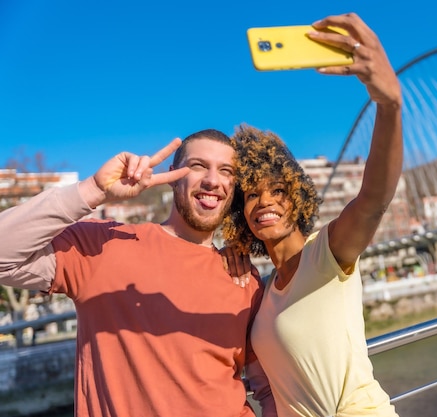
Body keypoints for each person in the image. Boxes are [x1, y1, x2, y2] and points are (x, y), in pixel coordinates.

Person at [0, 129, 276, 417]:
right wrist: (93, 190)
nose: (212, 180)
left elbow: (266, 387)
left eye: (226, 170)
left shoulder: (245, 278)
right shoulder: (102, 246)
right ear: (172, 175)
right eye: (197, 166)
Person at [222, 12, 402, 417]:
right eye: (251, 194)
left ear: (299, 197)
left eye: (278, 191)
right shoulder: (264, 290)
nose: (264, 201)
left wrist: (389, 105)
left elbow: (374, 199)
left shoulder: (328, 254)